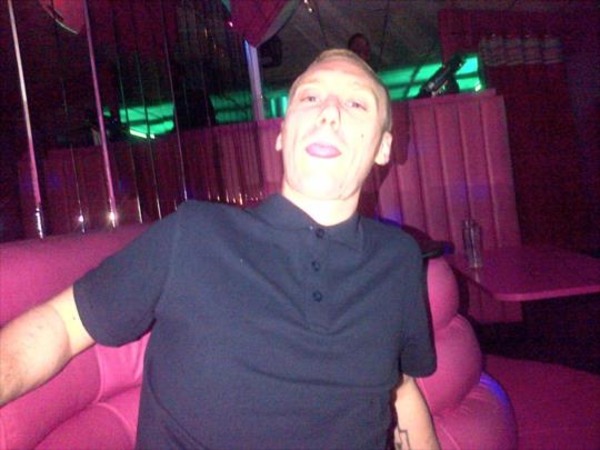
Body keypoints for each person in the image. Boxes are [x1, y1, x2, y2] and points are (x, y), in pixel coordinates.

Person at [0, 49, 439, 450]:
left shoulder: (398, 259)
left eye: (356, 103)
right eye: (310, 97)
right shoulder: (194, 234)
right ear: (283, 132)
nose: (329, 113)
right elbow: (61, 325)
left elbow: (400, 390)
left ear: (384, 147)